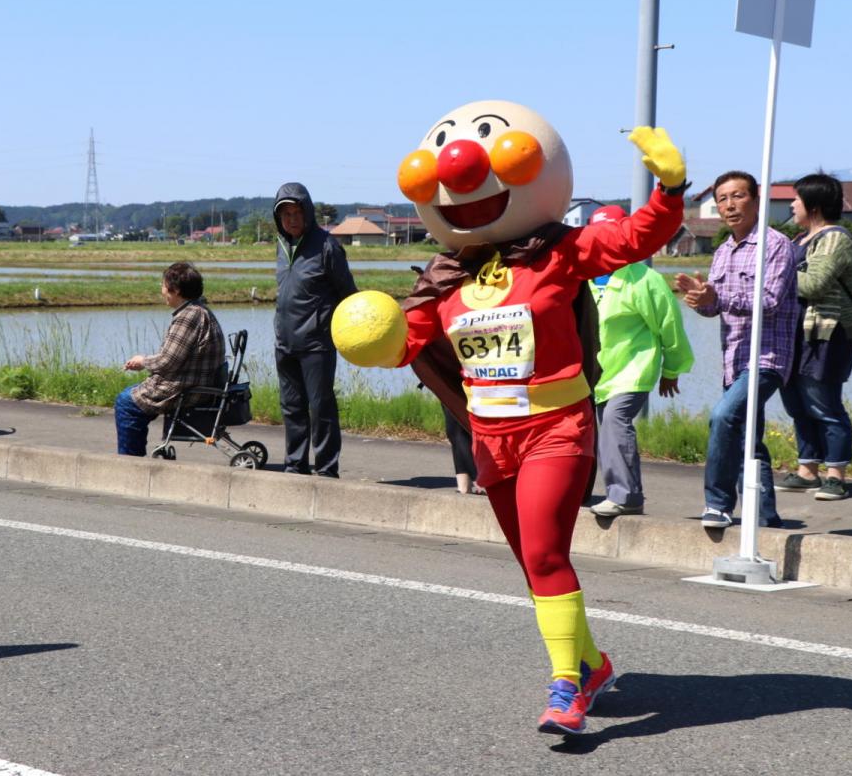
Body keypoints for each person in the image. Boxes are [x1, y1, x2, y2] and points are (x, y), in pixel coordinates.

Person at [336, 99, 689, 734]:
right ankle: (593, 663)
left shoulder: (558, 252)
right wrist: (368, 336)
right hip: (491, 440)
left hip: (558, 428)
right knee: (534, 564)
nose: (460, 163)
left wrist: (669, 189)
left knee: (549, 555)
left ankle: (566, 690)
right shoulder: (444, 278)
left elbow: (637, 238)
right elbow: (403, 347)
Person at [675, 171, 797, 529]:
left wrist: (719, 297)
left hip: (767, 357)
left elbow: (770, 300)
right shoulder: (723, 250)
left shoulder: (775, 244)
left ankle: (718, 503)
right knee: (747, 436)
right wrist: (700, 300)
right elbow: (715, 307)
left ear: (756, 200)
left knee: (723, 416)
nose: (729, 205)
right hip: (734, 358)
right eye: (723, 199)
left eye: (737, 196)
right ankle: (765, 514)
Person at [588, 205, 694, 517]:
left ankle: (627, 495)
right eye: (597, 234)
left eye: (611, 233)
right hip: (599, 374)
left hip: (633, 370)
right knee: (601, 430)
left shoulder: (644, 279)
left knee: (615, 423)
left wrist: (671, 369)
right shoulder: (586, 276)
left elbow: (670, 327)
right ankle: (611, 493)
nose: (604, 240)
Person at [775, 173, 852, 501]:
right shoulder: (799, 240)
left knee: (825, 404)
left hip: (826, 334)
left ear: (813, 204)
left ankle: (836, 475)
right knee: (797, 405)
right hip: (794, 334)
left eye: (797, 199)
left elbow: (813, 284)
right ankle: (807, 470)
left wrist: (773, 275)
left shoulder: (835, 239)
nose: (792, 204)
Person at [272, 183, 358, 477]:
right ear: (278, 218)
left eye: (297, 213)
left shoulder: (327, 246)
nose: (292, 219)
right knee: (291, 407)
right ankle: (295, 465)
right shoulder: (282, 247)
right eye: (286, 214)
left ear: (307, 213)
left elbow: (348, 294)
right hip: (284, 341)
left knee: (321, 408)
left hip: (317, 343)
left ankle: (326, 469)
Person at [115, 262, 224, 456]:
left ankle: (130, 461)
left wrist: (142, 361)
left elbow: (168, 361)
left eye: (163, 285)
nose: (162, 290)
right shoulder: (200, 309)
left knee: (126, 403)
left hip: (185, 388)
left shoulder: (188, 316)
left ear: (176, 291)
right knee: (128, 395)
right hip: (195, 383)